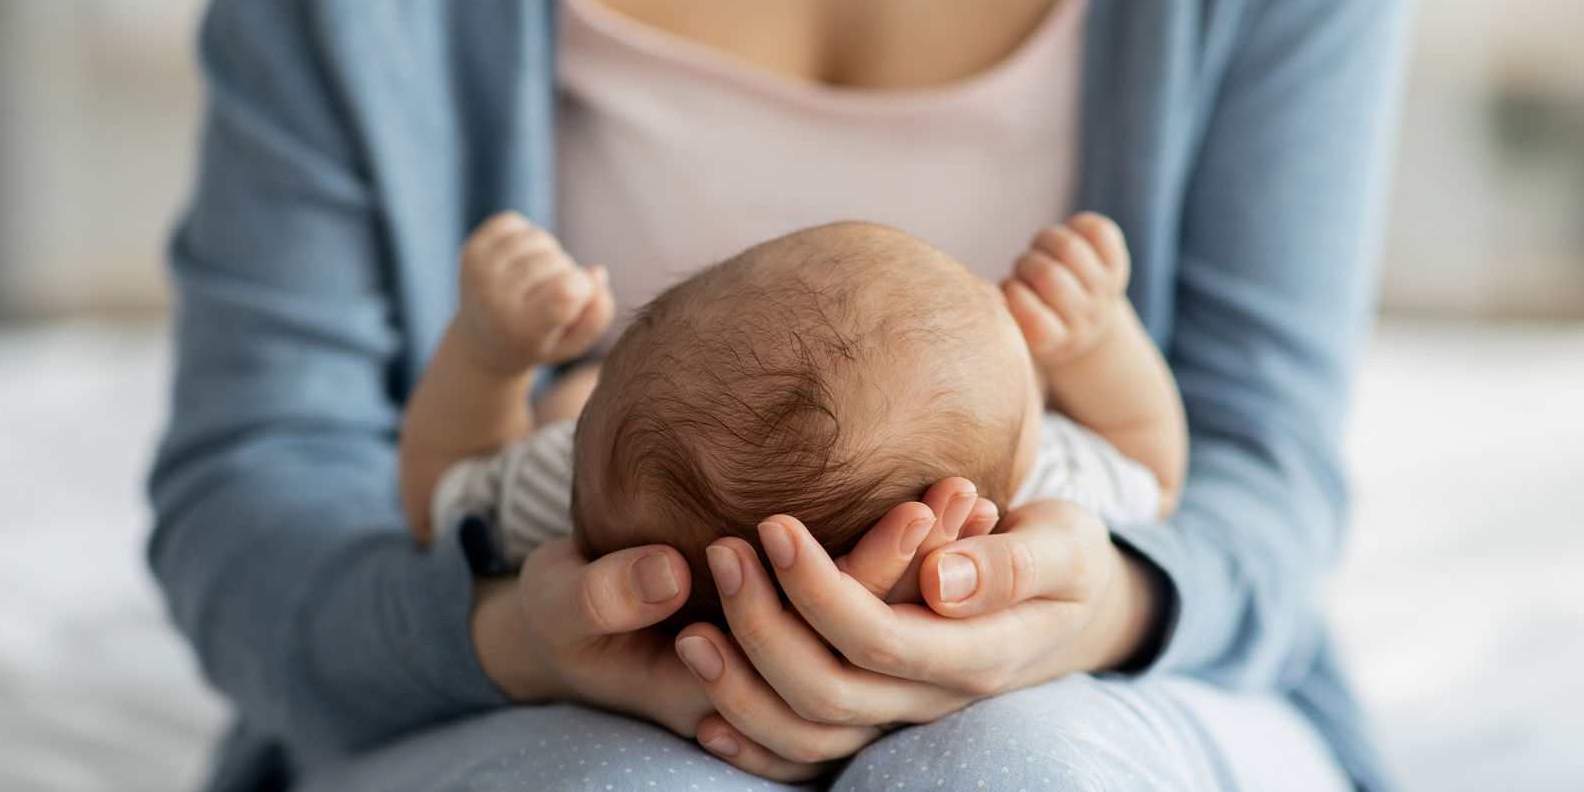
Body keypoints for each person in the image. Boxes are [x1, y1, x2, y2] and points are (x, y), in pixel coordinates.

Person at [117, 0, 1429, 792]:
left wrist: (1101, 611)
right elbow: (267, 488)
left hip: (1116, 695)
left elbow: (1255, 478)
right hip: (521, 713)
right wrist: (514, 637)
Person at [397, 216, 1184, 623]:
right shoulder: (1041, 506)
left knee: (568, 403)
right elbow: (1153, 466)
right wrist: (1096, 340)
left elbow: (438, 495)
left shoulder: (567, 502)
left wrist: (489, 354)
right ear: (1001, 486)